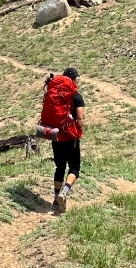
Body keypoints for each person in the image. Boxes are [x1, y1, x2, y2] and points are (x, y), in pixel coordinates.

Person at [52, 67, 85, 213]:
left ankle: (55, 198)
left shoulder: (55, 94)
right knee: (74, 168)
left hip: (57, 136)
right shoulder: (76, 96)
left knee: (59, 167)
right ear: (73, 79)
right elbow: (79, 118)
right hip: (71, 137)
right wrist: (79, 128)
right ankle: (64, 192)